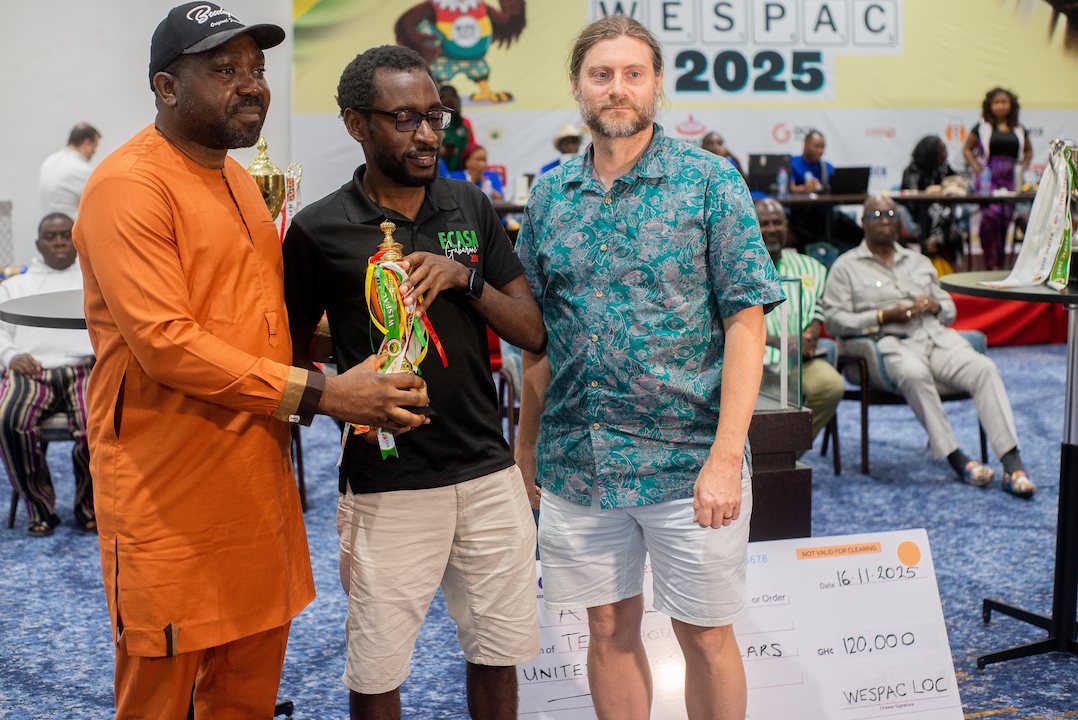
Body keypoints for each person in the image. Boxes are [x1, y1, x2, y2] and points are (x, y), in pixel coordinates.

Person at [73, 5, 429, 718]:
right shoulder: (129, 187)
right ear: (167, 87)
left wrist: (376, 333)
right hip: (170, 493)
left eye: (257, 69)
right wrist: (326, 393)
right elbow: (166, 342)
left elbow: (258, 317)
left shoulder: (238, 181)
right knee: (161, 698)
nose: (252, 85)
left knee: (246, 693)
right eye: (225, 70)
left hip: (256, 485)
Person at [515, 16, 784, 720]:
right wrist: (526, 443)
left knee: (706, 636)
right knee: (606, 627)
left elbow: (746, 324)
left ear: (657, 83)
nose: (618, 88)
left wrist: (726, 457)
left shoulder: (710, 182)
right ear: (578, 85)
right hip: (580, 461)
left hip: (688, 461)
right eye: (601, 74)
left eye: (633, 74)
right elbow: (536, 337)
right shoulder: (549, 197)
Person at [281, 45, 545, 720]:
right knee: (377, 671)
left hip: (485, 471)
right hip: (386, 482)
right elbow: (284, 353)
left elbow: (531, 330)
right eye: (404, 118)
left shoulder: (470, 206)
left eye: (435, 115)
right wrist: (343, 394)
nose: (428, 133)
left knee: (497, 654)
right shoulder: (317, 229)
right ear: (356, 124)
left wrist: (465, 278)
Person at [821, 195, 1035, 498]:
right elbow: (833, 321)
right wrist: (882, 316)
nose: (884, 220)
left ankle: (1012, 462)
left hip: (934, 338)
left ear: (899, 221)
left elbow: (950, 309)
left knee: (984, 368)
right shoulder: (845, 268)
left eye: (890, 214)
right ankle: (956, 457)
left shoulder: (919, 261)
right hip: (887, 345)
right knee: (914, 372)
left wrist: (934, 305)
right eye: (876, 215)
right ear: (862, 222)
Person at [0, 213, 94, 536]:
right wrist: (11, 356)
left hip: (85, 367)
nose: (59, 242)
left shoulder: (94, 280)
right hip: (31, 370)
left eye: (65, 235)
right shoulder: (15, 286)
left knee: (100, 421)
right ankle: (40, 509)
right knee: (8, 418)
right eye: (50, 237)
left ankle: (89, 507)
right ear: (38, 244)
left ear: (76, 240)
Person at [756, 198, 843, 442]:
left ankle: (791, 451)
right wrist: (781, 341)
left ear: (787, 226)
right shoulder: (738, 268)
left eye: (777, 223)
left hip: (800, 361)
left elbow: (818, 306)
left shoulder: (810, 267)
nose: (772, 229)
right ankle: (768, 455)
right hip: (757, 362)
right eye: (764, 223)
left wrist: (811, 333)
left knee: (830, 386)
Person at [963, 87, 1034, 270]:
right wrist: (977, 168)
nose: (1000, 106)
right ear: (989, 105)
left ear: (1011, 105)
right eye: (996, 102)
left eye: (1004, 102)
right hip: (989, 178)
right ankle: (989, 263)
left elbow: (1028, 150)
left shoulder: (1019, 129)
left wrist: (1022, 167)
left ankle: (1001, 265)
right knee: (990, 216)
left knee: (1005, 219)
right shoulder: (982, 127)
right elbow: (967, 149)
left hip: (1011, 179)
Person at [787, 129, 862, 252]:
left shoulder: (826, 167)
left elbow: (836, 187)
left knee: (857, 233)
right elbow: (788, 188)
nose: (820, 151)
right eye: (817, 146)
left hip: (828, 214)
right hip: (803, 216)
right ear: (806, 144)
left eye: (823, 147)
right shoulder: (792, 163)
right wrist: (805, 188)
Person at [901, 134, 966, 273]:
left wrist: (953, 185)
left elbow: (955, 181)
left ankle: (942, 250)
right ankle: (931, 246)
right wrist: (929, 194)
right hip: (918, 211)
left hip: (942, 209)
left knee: (944, 211)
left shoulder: (943, 167)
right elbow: (911, 196)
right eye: (941, 151)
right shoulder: (913, 170)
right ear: (930, 153)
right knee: (933, 210)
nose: (945, 154)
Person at [38, 123, 100, 219]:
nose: (95, 152)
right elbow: (100, 201)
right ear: (86, 143)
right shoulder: (82, 170)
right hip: (69, 225)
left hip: (45, 224)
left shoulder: (49, 161)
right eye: (95, 146)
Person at [438, 83, 474, 173]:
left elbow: (471, 149)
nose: (448, 105)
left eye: (451, 101)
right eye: (444, 100)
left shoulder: (464, 124)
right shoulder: (433, 123)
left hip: (461, 172)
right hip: (439, 172)